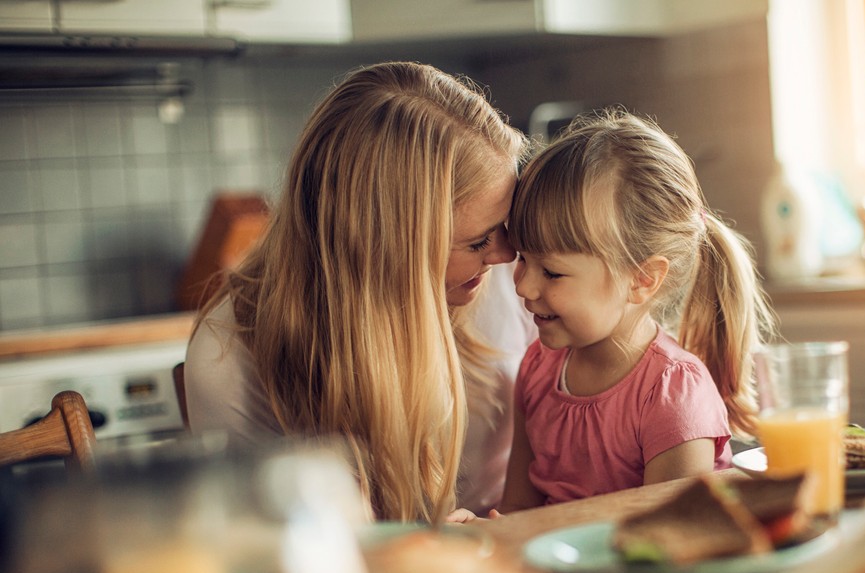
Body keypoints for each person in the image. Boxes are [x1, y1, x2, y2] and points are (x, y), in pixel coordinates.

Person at [184, 61, 534, 523]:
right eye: (476, 242)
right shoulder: (229, 356)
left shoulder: (514, 279)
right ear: (385, 246)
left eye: (504, 226)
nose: (509, 254)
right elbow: (270, 554)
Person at [498, 109, 776, 511]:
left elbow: (662, 548)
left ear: (643, 280)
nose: (523, 285)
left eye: (553, 272)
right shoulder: (538, 367)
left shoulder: (673, 395)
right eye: (522, 259)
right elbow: (516, 513)